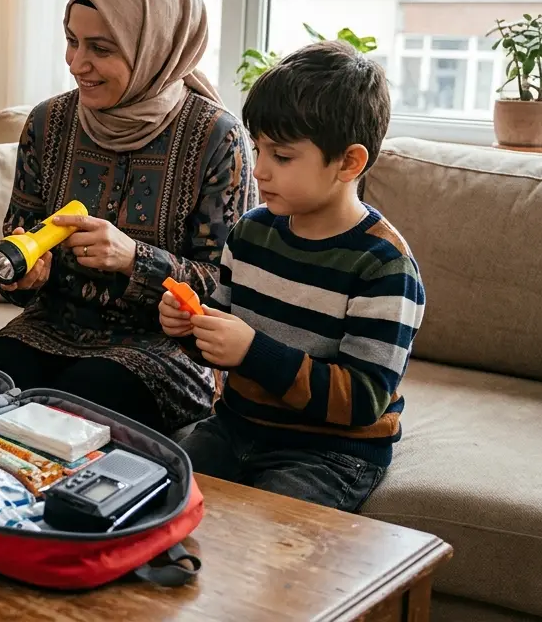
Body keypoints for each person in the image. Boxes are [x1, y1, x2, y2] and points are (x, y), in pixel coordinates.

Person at [0, 0, 256, 435]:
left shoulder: (217, 139)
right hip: (51, 327)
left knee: (80, 404)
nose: (76, 63)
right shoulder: (48, 124)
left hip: (165, 347)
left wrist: (134, 259)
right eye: (71, 40)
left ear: (153, 49)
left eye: (99, 48)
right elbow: (15, 251)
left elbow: (228, 290)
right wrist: (24, 279)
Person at [162, 40, 425, 512]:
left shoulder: (384, 265)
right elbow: (223, 331)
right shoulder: (252, 232)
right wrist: (190, 327)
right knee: (156, 493)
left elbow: (363, 399)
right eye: (258, 149)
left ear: (349, 163)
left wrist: (253, 351)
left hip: (329, 453)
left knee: (270, 534)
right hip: (237, 427)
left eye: (282, 157)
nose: (260, 170)